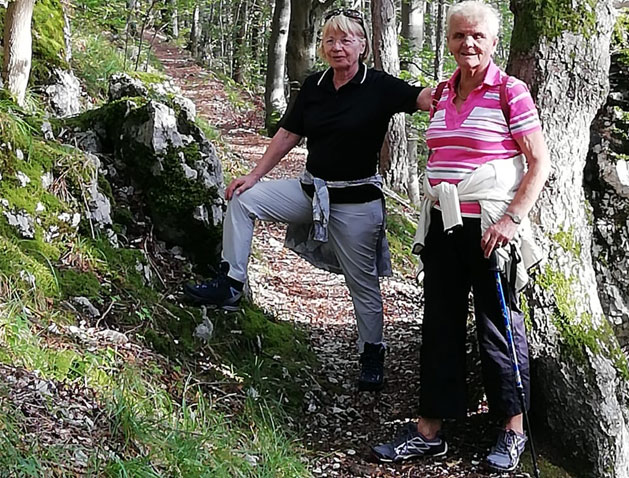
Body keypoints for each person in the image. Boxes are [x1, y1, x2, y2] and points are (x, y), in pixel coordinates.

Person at [184, 9, 432, 392]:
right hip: (310, 192)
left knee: (361, 283)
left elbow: (423, 98)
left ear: (363, 45)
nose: (337, 47)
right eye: (330, 40)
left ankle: (372, 352)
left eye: (346, 40)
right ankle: (230, 282)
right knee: (244, 199)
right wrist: (254, 176)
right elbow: (288, 134)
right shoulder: (314, 86)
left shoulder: (380, 86)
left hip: (357, 203)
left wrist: (466, 80)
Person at [371, 1, 550, 473]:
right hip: (443, 228)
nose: (467, 44)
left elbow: (539, 163)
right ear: (448, 41)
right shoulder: (443, 93)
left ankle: (512, 430)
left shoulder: (511, 91)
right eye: (458, 36)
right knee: (440, 325)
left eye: (477, 36)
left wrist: (511, 221)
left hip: (492, 228)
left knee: (499, 327)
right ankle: (430, 430)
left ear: (493, 42)